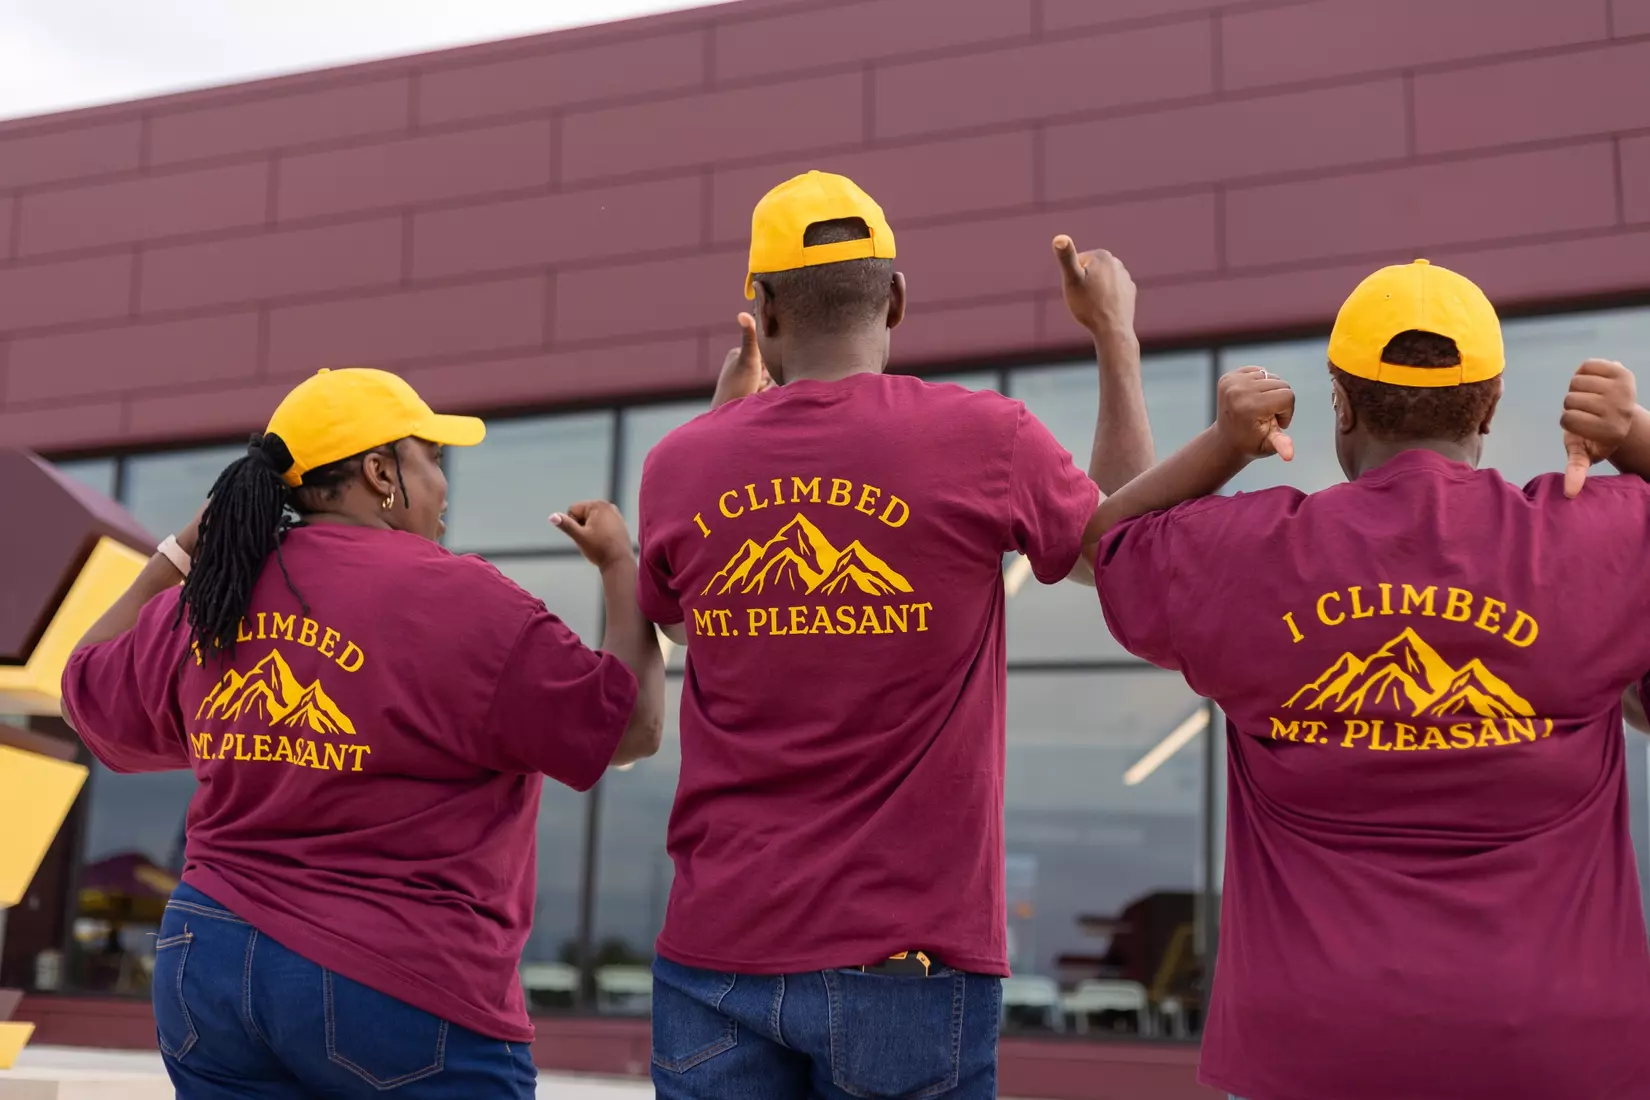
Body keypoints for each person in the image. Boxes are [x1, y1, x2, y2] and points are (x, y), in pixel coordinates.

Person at [633, 170, 1154, 1099]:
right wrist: (1114, 336)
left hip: (717, 955)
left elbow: (672, 621)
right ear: (899, 300)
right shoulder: (986, 437)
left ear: (763, 309)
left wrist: (725, 425)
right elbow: (1121, 546)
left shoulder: (680, 464)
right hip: (909, 966)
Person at [1087, 259, 1650, 1100]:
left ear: (1341, 406)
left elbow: (1105, 542)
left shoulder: (1251, 556)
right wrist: (1636, 437)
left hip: (1310, 1055)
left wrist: (1197, 419)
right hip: (1555, 1053)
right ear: (1490, 406)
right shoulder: (1596, 541)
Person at [59, 367, 664, 1100]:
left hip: (209, 967)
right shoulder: (463, 599)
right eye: (431, 460)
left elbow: (83, 686)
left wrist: (180, 553)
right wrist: (619, 565)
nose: (443, 486)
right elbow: (631, 727)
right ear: (380, 473)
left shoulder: (212, 603)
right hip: (397, 981)